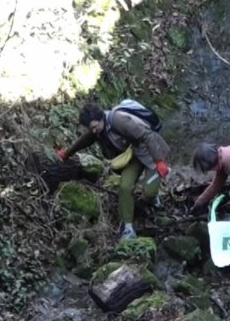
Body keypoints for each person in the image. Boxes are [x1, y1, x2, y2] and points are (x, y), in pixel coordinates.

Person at [57, 102, 170, 240]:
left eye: (94, 127)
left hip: (151, 153)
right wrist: (67, 153)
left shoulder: (118, 120)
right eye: (90, 128)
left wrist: (159, 161)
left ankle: (153, 197)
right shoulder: (98, 129)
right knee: (124, 187)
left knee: (149, 191)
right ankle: (128, 229)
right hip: (132, 156)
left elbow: (147, 135)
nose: (93, 130)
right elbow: (85, 140)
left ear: (100, 118)